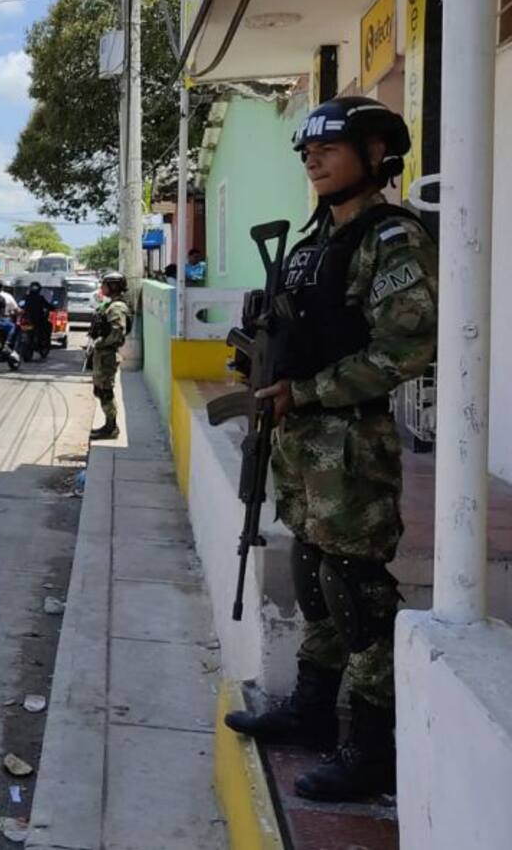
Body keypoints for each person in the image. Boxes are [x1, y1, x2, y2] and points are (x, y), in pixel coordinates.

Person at [222, 98, 438, 803]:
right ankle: (314, 712)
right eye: (306, 151)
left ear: (376, 154)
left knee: (359, 593)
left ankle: (373, 749)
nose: (312, 160)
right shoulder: (313, 242)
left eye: (330, 148)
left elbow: (408, 346)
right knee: (315, 573)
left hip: (349, 442)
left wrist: (307, 391)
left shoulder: (392, 237)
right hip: (299, 442)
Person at [89, 272, 131, 440]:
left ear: (113, 286)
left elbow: (117, 332)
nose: (102, 287)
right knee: (100, 390)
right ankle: (109, 424)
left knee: (105, 391)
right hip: (102, 354)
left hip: (107, 354)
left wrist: (100, 343)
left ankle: (111, 427)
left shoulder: (117, 308)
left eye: (105, 284)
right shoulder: (110, 305)